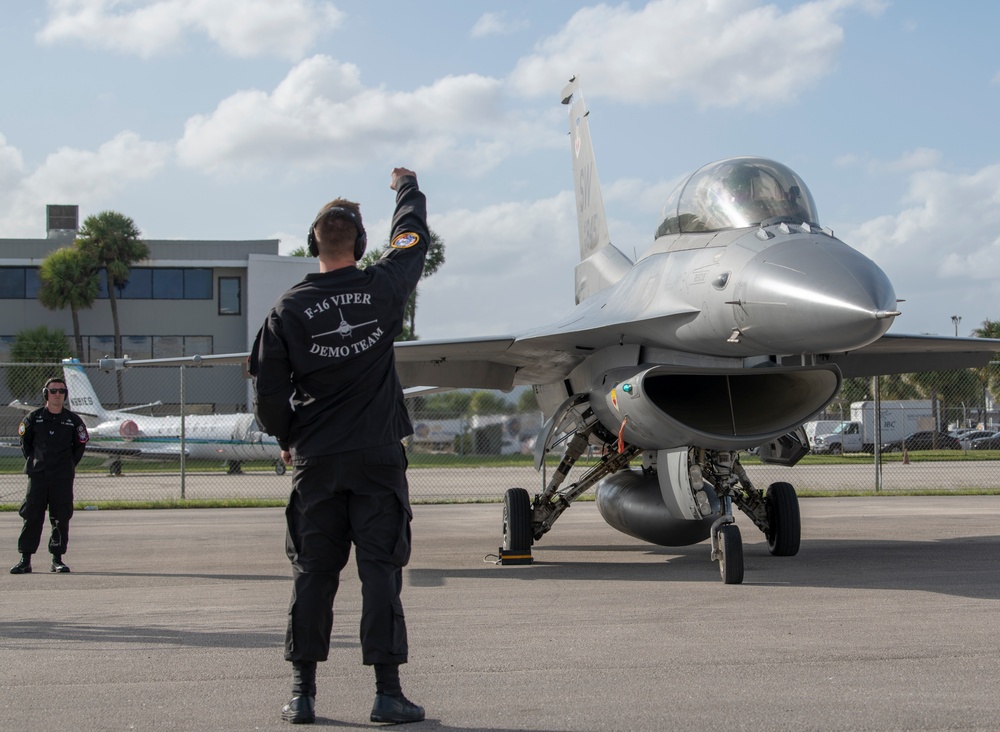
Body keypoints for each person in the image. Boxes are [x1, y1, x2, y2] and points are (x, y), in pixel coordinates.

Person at [250, 167, 429, 725]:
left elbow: (269, 397)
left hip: (317, 460)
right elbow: (413, 239)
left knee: (313, 575)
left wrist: (287, 439)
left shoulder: (286, 310)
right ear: (361, 244)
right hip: (377, 456)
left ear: (313, 244)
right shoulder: (383, 285)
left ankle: (302, 694)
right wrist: (406, 189)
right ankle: (387, 693)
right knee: (380, 572)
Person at [10, 376, 89, 574]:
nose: (57, 395)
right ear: (46, 394)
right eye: (53, 391)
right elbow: (25, 445)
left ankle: (57, 559)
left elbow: (79, 446)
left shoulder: (73, 421)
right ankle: (25, 559)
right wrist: (37, 463)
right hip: (38, 476)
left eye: (61, 391)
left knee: (61, 517)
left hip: (62, 477)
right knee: (32, 516)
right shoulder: (33, 418)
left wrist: (68, 465)